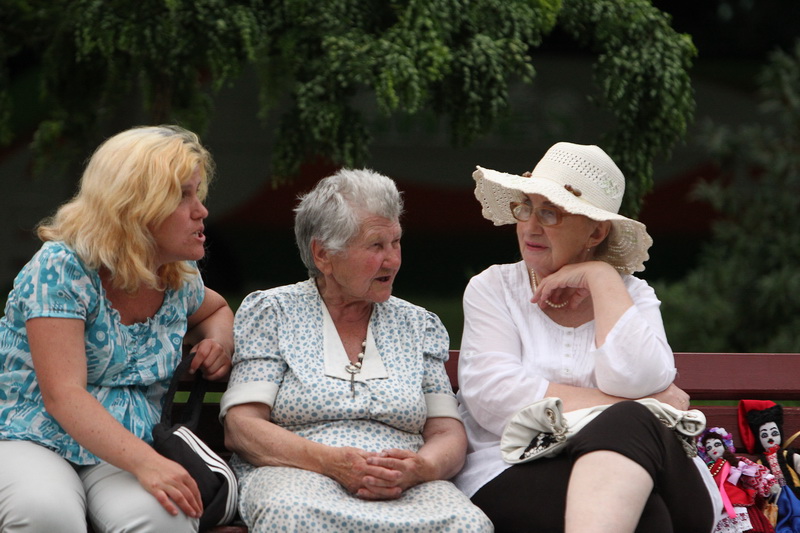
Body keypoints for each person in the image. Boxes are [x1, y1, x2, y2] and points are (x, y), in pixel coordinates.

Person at [455, 142, 723, 532]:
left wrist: (601, 277)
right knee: (645, 512)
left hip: (662, 474)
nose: (530, 226)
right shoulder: (494, 288)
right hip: (514, 468)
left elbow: (641, 379)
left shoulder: (632, 294)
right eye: (526, 207)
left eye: (550, 213)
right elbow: (494, 397)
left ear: (596, 231)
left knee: (631, 427)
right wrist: (639, 406)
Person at [221, 168, 493, 532]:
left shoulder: (418, 325)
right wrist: (332, 462)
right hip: (299, 476)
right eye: (376, 246)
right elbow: (242, 427)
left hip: (404, 487)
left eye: (396, 242)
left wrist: (420, 468)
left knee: (468, 524)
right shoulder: (274, 313)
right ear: (323, 254)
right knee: (291, 514)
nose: (392, 260)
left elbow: (446, 433)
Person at [0, 125, 234, 532]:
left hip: (125, 445)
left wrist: (219, 342)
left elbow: (215, 310)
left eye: (198, 193)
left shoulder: (175, 274)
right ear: (136, 206)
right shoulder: (62, 267)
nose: (201, 211)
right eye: (183, 195)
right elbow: (63, 394)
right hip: (34, 437)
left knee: (168, 517)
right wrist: (149, 464)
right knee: (45, 512)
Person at [697, 427, 777, 533]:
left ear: (725, 446)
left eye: (717, 444)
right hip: (719, 506)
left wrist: (768, 483)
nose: (713, 449)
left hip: (738, 501)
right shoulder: (708, 470)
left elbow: (752, 473)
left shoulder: (735, 462)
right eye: (709, 448)